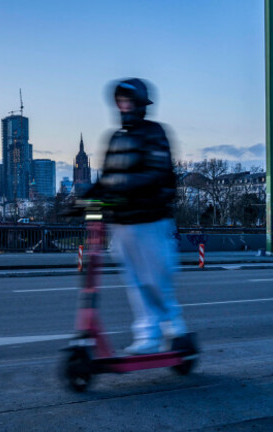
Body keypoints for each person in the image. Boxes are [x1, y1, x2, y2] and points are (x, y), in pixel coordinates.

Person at [91, 78, 187, 355]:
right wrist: (83, 198)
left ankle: (174, 329)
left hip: (151, 220)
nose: (124, 105)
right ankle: (149, 335)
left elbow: (158, 174)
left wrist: (123, 188)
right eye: (120, 101)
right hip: (122, 223)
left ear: (140, 104)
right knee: (136, 282)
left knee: (155, 280)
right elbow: (107, 178)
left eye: (128, 100)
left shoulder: (154, 133)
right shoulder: (116, 138)